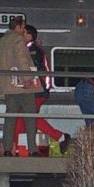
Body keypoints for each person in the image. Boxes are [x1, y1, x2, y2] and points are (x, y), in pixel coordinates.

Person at [12, 25, 71, 155]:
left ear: (29, 36)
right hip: (36, 90)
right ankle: (16, 149)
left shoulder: (31, 51)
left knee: (27, 116)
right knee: (22, 118)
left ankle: (60, 136)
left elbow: (28, 71)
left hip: (36, 91)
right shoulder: (33, 50)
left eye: (24, 33)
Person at [0, 17, 40, 156]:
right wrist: (28, 78)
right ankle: (32, 149)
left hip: (8, 86)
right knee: (30, 118)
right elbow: (22, 60)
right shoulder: (18, 40)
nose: (24, 29)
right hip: (21, 86)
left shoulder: (0, 42)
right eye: (23, 27)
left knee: (10, 118)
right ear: (18, 27)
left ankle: (7, 149)